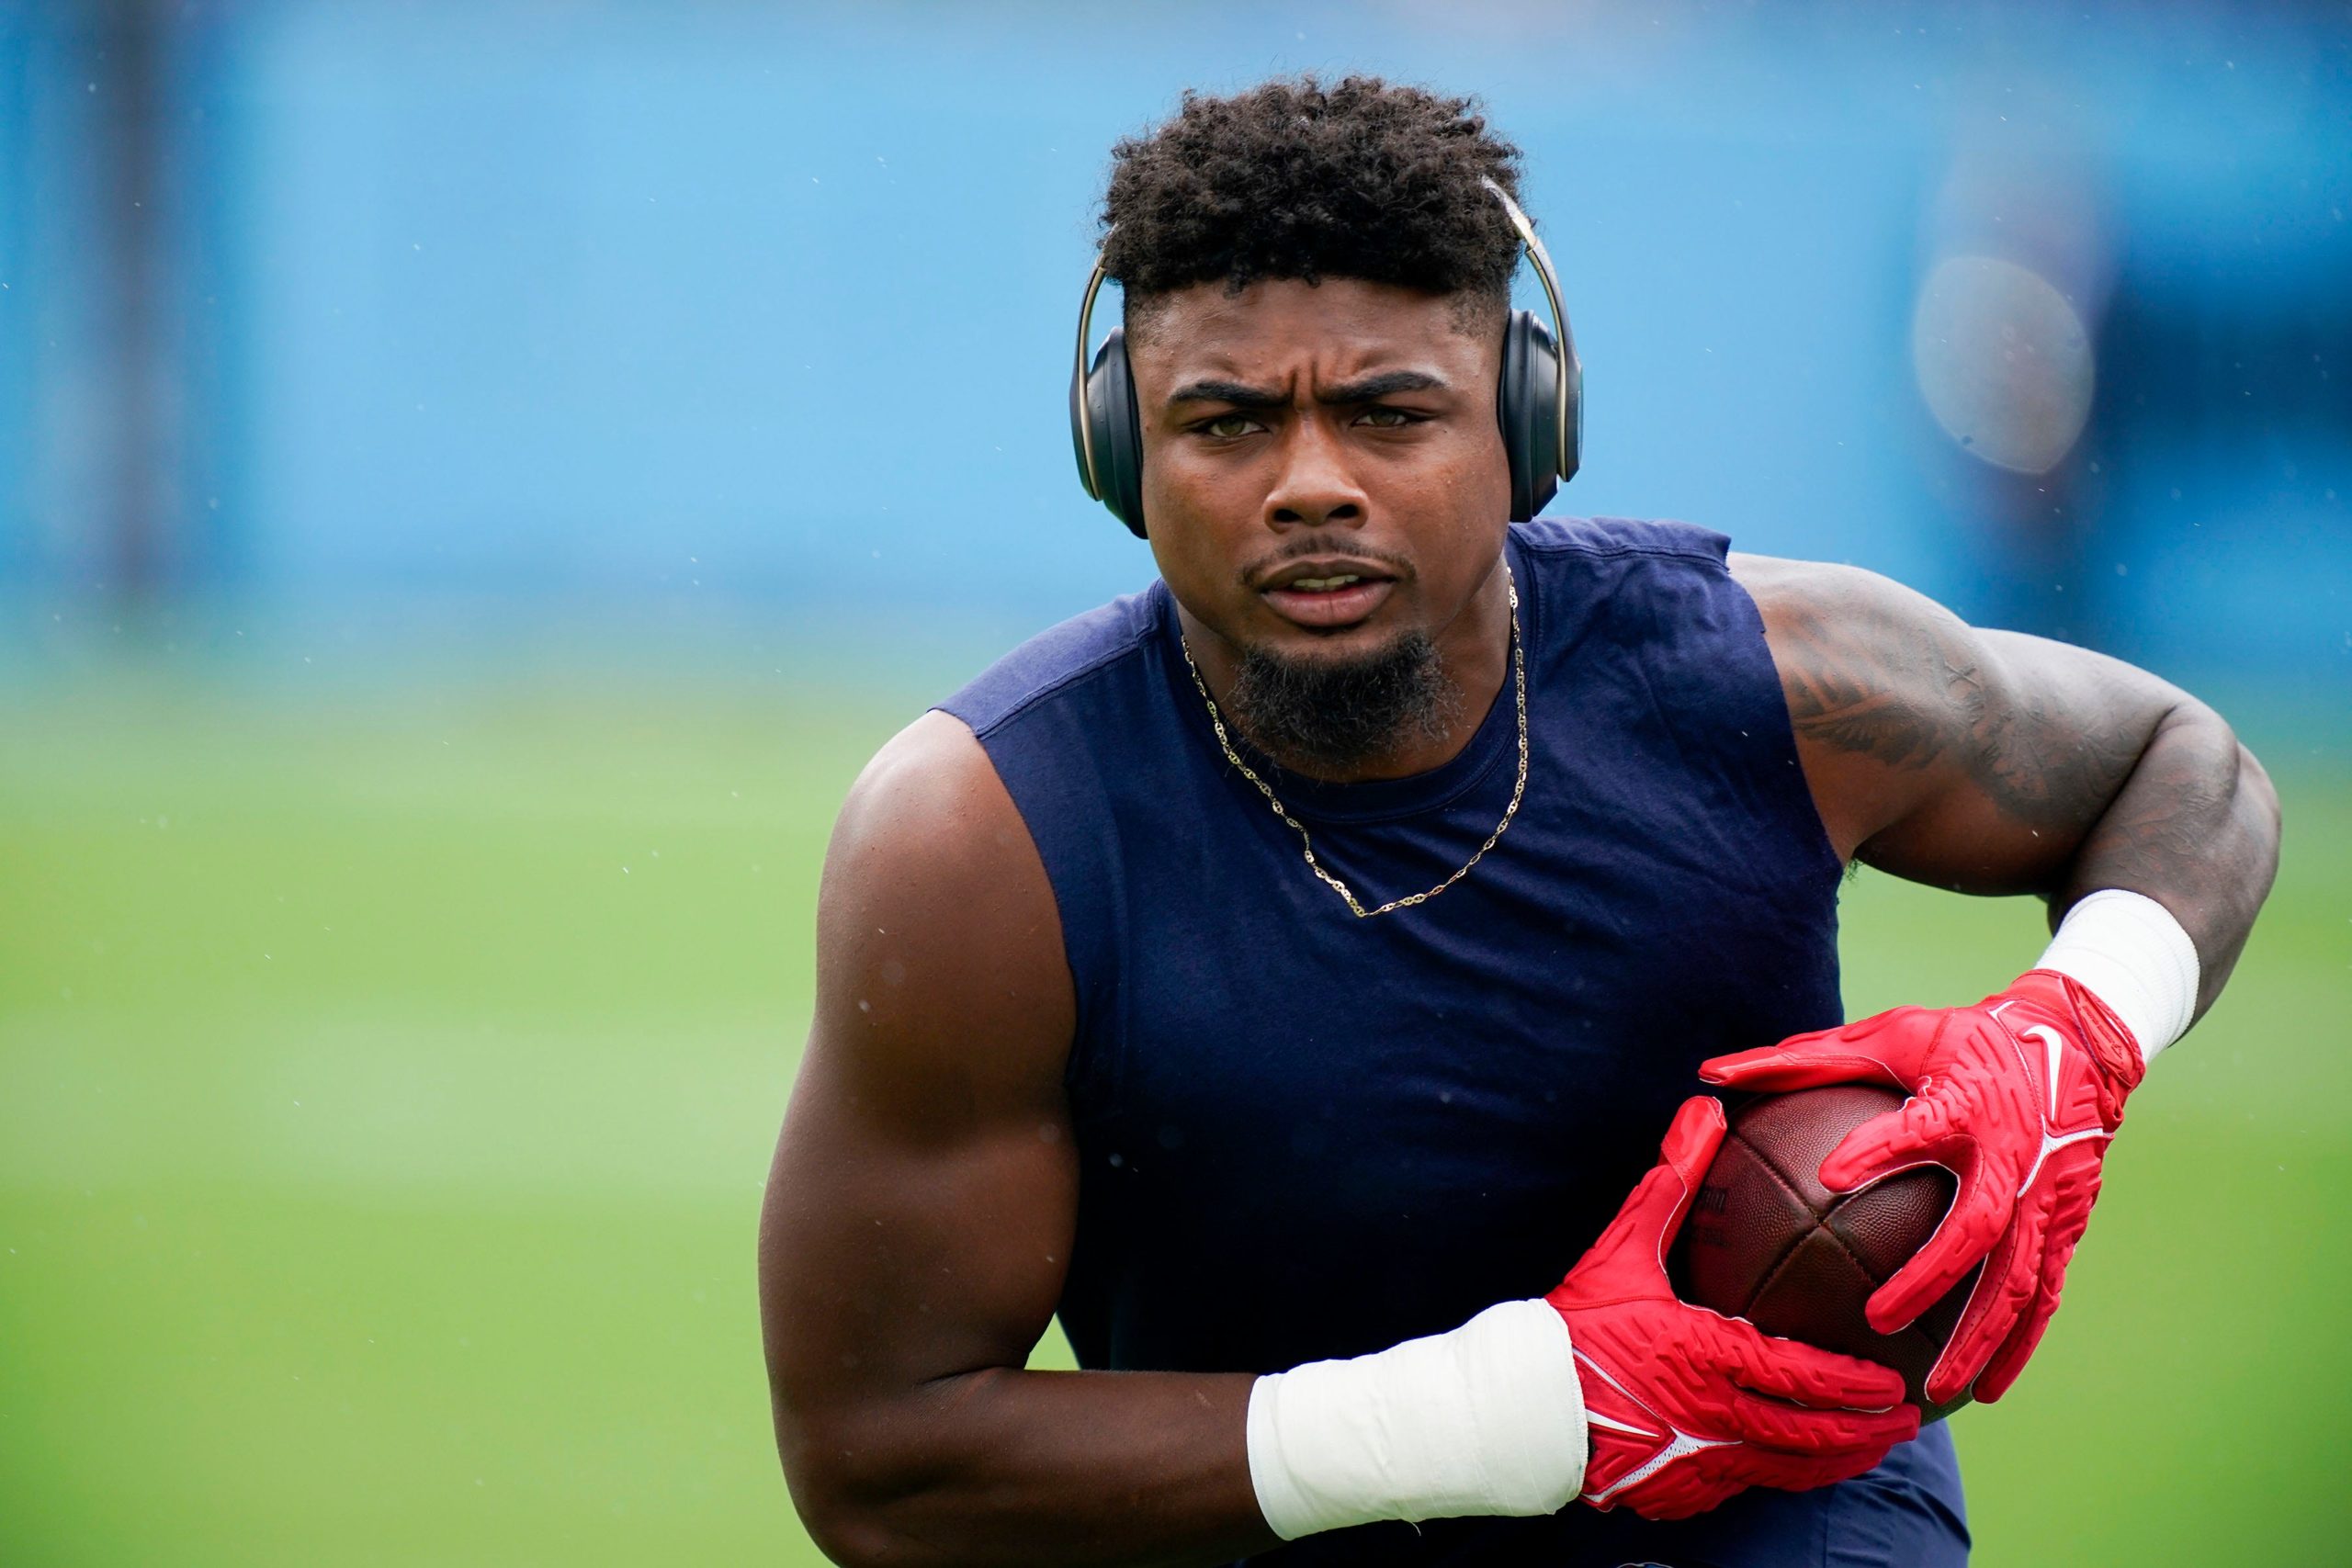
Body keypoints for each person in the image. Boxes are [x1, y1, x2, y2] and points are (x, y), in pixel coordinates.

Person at [756, 76, 2279, 1567]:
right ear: (1119, 454)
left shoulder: (1768, 680)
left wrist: (2073, 1034)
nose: (1310, 485)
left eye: (1388, 413)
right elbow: (884, 1464)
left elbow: (2180, 764)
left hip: (1775, 1515)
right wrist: (1525, 1416)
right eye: (1225, 423)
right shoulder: (987, 839)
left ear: (1528, 425)